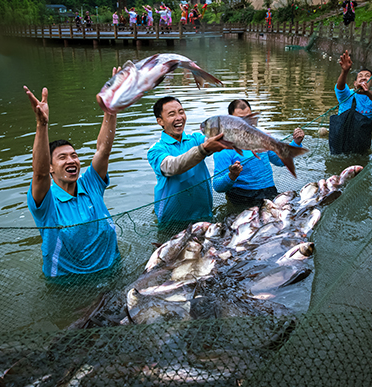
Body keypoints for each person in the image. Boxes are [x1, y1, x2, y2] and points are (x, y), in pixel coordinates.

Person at [23, 67, 123, 279]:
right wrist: (42, 124)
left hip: (112, 271)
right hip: (69, 285)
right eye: (62, 157)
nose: (71, 160)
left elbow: (103, 150)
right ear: (51, 167)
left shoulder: (91, 184)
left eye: (74, 155)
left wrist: (111, 108)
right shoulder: (46, 202)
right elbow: (39, 174)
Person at [147, 97, 231, 224]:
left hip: (204, 215)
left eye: (181, 112)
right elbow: (172, 166)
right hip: (172, 221)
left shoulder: (196, 139)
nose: (179, 117)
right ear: (160, 121)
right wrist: (203, 149)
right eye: (172, 114)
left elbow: (213, 141)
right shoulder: (156, 150)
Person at [213, 99, 305, 207]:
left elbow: (279, 161)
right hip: (242, 196)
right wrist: (232, 175)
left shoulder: (262, 136)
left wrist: (295, 143)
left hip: (269, 191)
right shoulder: (223, 147)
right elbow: (217, 186)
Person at [329, 50, 372, 155]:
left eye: (367, 76)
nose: (364, 77)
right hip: (339, 145)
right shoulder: (347, 94)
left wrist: (367, 93)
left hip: (361, 148)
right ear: (355, 83)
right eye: (360, 76)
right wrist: (345, 71)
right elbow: (340, 87)